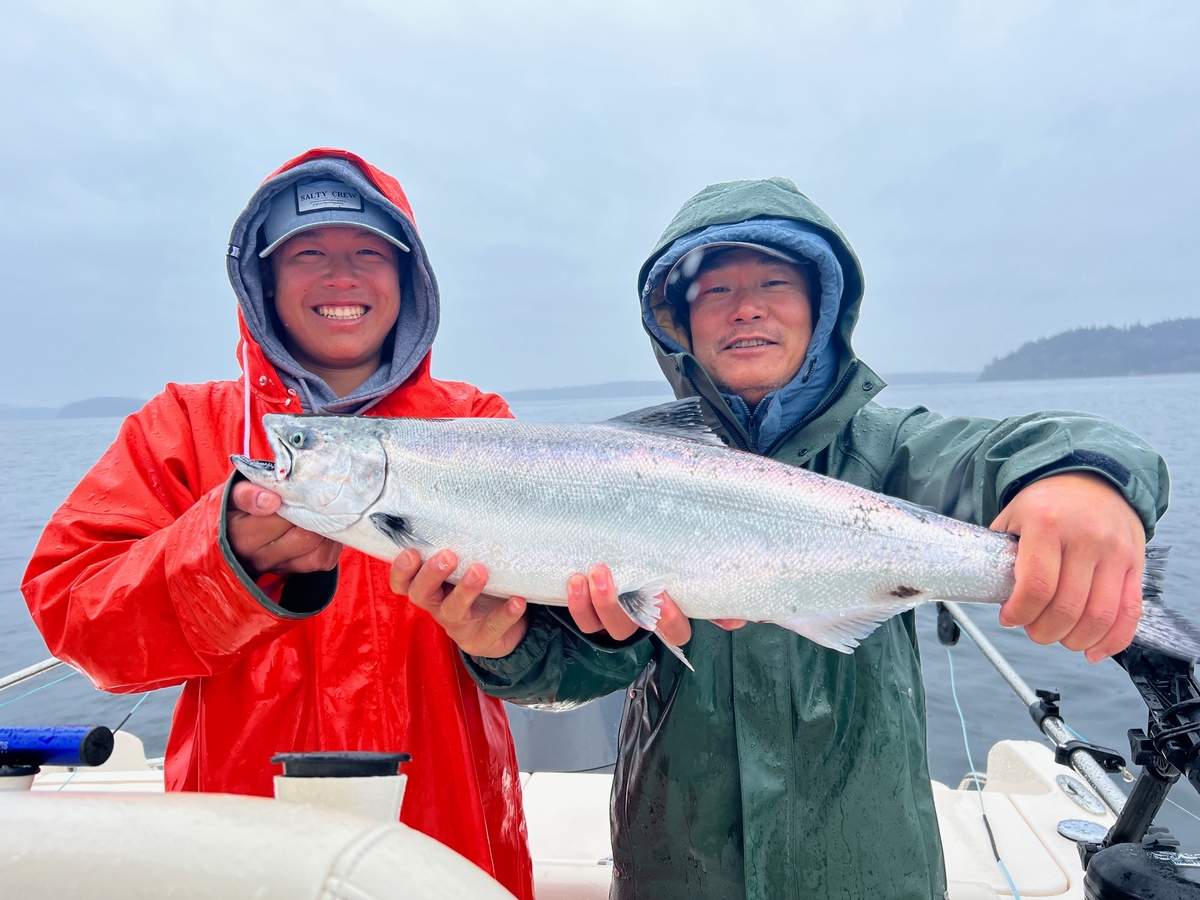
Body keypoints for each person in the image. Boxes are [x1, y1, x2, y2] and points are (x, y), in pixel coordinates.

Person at [391, 177, 1168, 898]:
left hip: (870, 860)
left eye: (773, 285)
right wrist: (497, 644)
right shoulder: (630, 466)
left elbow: (1018, 449)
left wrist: (1085, 477)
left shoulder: (892, 450)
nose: (746, 308)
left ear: (821, 307)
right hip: (677, 861)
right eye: (718, 291)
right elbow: (577, 668)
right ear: (681, 324)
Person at [21, 148, 534, 899]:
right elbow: (71, 608)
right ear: (262, 282)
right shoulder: (182, 427)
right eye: (307, 254)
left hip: (449, 837)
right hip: (238, 852)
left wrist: (510, 633)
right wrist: (220, 559)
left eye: (369, 253)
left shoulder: (477, 424)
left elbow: (551, 627)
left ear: (408, 279)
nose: (341, 277)